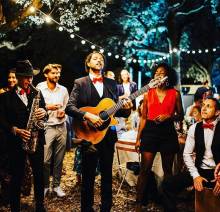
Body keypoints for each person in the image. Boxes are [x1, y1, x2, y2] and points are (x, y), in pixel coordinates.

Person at [65, 51, 132, 212]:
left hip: (108, 136)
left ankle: (106, 208)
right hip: (89, 135)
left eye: (101, 59)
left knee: (107, 176)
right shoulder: (80, 83)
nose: (99, 61)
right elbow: (69, 107)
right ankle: (87, 209)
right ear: (88, 63)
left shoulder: (111, 83)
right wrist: (87, 115)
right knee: (88, 177)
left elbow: (115, 110)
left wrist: (127, 109)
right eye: (95, 59)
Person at [135, 63, 184, 211]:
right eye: (156, 73)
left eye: (162, 72)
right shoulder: (147, 93)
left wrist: (168, 116)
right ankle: (139, 202)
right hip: (150, 132)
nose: (159, 75)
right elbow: (143, 118)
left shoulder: (175, 94)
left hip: (168, 132)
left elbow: (180, 115)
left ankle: (168, 203)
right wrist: (138, 139)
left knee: (168, 170)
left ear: (168, 76)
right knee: (145, 169)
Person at [0, 60, 47, 212]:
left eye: (31, 77)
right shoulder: (5, 97)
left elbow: (44, 112)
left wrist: (44, 113)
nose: (29, 80)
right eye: (26, 77)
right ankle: (15, 207)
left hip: (36, 140)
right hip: (16, 142)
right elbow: (2, 121)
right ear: (18, 77)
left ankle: (40, 205)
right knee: (17, 177)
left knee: (39, 175)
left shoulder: (37, 94)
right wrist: (15, 130)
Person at [161, 98, 220, 212]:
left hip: (217, 171)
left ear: (217, 112)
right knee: (168, 184)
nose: (203, 108)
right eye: (203, 105)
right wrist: (195, 175)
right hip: (199, 170)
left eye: (209, 106)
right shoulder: (194, 128)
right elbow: (187, 154)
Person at [37, 64, 69, 197]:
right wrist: (48, 107)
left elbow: (67, 107)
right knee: (45, 160)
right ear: (46, 74)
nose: (57, 75)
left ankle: (56, 186)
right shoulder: (39, 88)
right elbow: (36, 107)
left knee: (59, 159)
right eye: (54, 73)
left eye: (58, 73)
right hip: (46, 127)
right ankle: (45, 186)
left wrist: (64, 113)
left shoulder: (63, 90)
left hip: (61, 127)